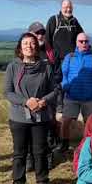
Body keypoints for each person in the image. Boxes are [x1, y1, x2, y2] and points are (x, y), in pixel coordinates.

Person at [4, 32, 59, 184]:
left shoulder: (46, 66)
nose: (29, 46)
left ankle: (42, 181)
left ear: (37, 46)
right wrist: (26, 102)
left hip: (40, 116)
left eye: (32, 43)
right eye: (25, 43)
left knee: (40, 150)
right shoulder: (13, 67)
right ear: (20, 47)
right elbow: (7, 92)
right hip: (19, 117)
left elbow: (55, 89)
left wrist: (44, 101)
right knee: (19, 152)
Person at [57, 32, 92, 152]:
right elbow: (64, 74)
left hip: (89, 98)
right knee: (66, 121)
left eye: (86, 41)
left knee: (90, 123)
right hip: (71, 96)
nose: (83, 43)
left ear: (89, 43)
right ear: (76, 43)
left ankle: (89, 145)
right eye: (81, 41)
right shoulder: (69, 57)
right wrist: (66, 86)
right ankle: (64, 144)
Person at [26, 21, 62, 171]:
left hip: (48, 99)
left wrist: (49, 97)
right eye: (36, 33)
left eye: (42, 33)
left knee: (48, 128)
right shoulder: (25, 52)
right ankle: (30, 159)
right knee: (28, 128)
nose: (40, 35)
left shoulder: (51, 51)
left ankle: (47, 159)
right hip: (29, 98)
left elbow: (58, 74)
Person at [45, 0, 84, 113]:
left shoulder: (74, 21)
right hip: (58, 60)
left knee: (71, 82)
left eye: (70, 7)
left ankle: (68, 105)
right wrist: (51, 58)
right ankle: (58, 106)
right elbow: (47, 40)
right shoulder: (54, 20)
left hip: (72, 59)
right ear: (61, 8)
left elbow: (81, 36)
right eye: (65, 7)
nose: (68, 9)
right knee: (58, 82)